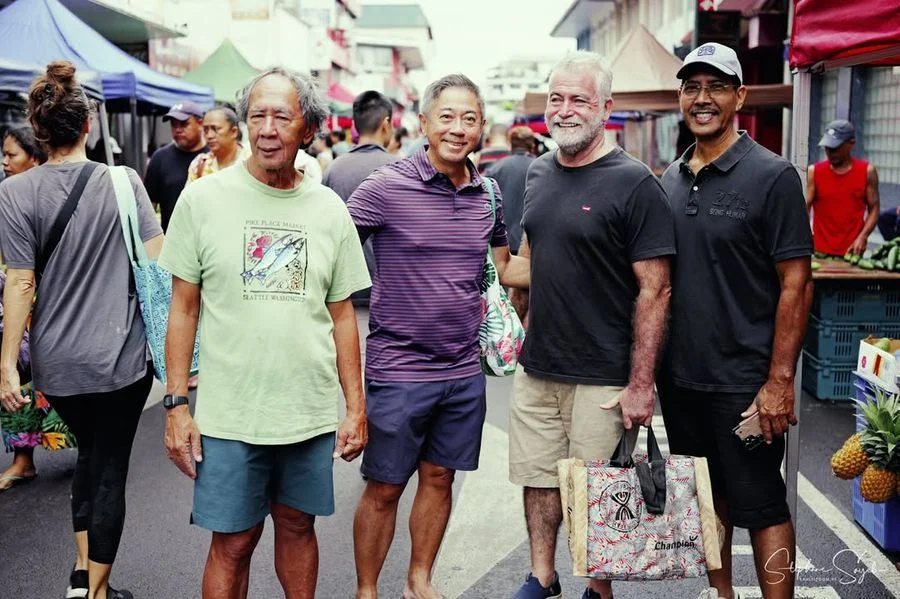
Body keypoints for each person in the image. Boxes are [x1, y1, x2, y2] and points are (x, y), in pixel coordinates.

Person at [159, 66, 371, 599]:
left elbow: (343, 313)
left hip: (305, 411)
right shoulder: (204, 200)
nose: (268, 128)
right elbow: (182, 309)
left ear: (308, 128)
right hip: (231, 414)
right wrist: (176, 404)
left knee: (299, 527)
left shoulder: (328, 210)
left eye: (282, 115)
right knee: (233, 541)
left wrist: (355, 408)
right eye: (258, 115)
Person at [347, 74, 530, 599]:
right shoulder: (385, 186)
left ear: (481, 127)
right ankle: (366, 590)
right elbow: (335, 251)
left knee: (440, 478)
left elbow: (503, 266)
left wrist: (581, 262)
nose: (457, 128)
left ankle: (419, 579)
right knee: (384, 486)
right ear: (423, 123)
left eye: (469, 118)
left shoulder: (487, 193)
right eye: (446, 116)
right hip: (398, 367)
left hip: (462, 368)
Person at [506, 51, 674, 599]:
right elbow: (533, 249)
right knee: (538, 478)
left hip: (604, 372)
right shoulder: (537, 172)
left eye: (578, 98)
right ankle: (542, 575)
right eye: (556, 98)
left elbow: (656, 288)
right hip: (539, 364)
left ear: (605, 107)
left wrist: (642, 383)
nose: (565, 109)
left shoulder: (633, 184)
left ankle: (597, 588)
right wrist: (508, 299)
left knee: (597, 489)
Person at [0, 60, 162, 599]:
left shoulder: (15, 193)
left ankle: (79, 574)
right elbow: (157, 266)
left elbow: (20, 284)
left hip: (57, 364)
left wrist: (6, 366)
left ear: (38, 131)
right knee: (110, 466)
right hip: (119, 357)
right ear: (88, 126)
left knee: (89, 455)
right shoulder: (124, 181)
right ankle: (98, 593)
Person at [658, 43, 813, 599]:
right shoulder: (668, 181)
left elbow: (796, 283)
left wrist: (778, 381)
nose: (703, 99)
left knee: (762, 505)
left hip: (745, 384)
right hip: (679, 381)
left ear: (739, 97)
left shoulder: (773, 176)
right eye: (692, 87)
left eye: (716, 86)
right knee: (705, 499)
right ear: (680, 98)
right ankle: (721, 595)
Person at [0, 124, 77, 493]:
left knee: (51, 381)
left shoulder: (55, 193)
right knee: (12, 377)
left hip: (50, 304)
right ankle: (23, 459)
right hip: (13, 306)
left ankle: (76, 444)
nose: (4, 161)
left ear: (34, 156)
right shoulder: (8, 195)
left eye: (12, 154)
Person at [805, 119, 880, 256]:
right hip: (818, 252)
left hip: (852, 252)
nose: (830, 152)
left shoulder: (867, 172)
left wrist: (863, 236)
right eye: (827, 148)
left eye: (835, 148)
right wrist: (804, 234)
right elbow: (804, 206)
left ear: (851, 144)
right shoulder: (814, 172)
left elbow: (874, 208)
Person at [144, 100, 207, 231]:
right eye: (173, 125)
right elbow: (148, 208)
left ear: (201, 123)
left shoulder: (212, 156)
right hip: (172, 241)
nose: (178, 130)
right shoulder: (160, 158)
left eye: (184, 124)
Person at [484, 126, 536, 254]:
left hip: (501, 243)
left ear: (510, 143)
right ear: (532, 145)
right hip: (533, 244)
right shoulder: (542, 169)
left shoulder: (495, 169)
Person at [187, 107, 246, 183]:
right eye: (205, 130)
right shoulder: (199, 165)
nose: (209, 136)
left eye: (215, 129)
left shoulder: (251, 160)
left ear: (234, 132)